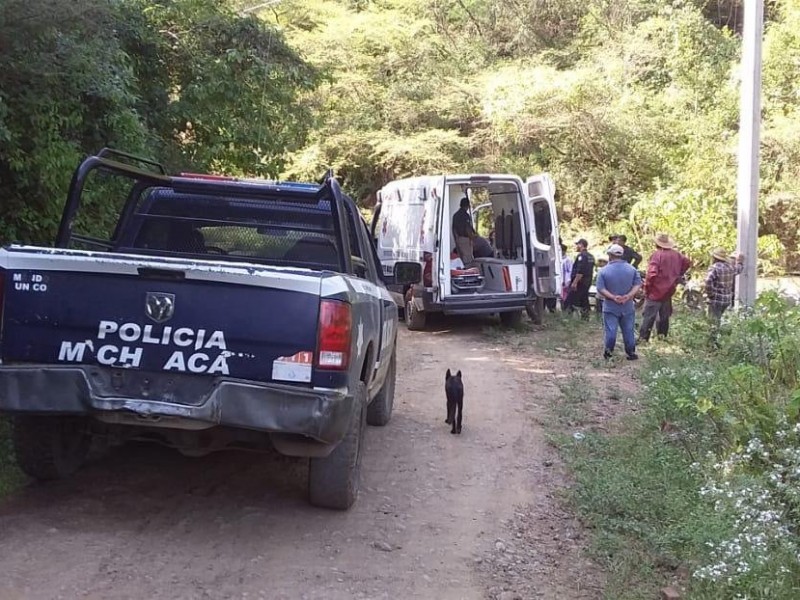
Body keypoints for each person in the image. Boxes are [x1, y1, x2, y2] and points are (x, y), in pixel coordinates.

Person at [638, 233, 691, 342]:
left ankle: (644, 338)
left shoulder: (657, 255)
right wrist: (678, 274)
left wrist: (646, 288)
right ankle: (662, 337)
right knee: (664, 316)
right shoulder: (677, 255)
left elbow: (652, 274)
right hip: (669, 290)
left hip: (655, 290)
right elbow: (687, 263)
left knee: (649, 316)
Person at [596, 244, 642, 360]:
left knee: (611, 330)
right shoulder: (632, 269)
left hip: (610, 306)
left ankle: (609, 352)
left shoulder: (603, 271)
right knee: (628, 330)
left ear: (610, 255)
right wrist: (628, 296)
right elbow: (637, 284)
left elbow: (600, 288)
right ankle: (631, 353)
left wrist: (612, 297)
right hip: (627, 305)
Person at [705, 247, 745, 323]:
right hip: (726, 300)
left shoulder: (714, 268)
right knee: (718, 319)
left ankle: (714, 334)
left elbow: (708, 281)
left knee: (713, 322)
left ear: (714, 258)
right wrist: (740, 262)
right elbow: (738, 269)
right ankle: (719, 333)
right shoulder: (729, 267)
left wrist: (710, 294)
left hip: (716, 300)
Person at [564, 238, 595, 319]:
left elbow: (580, 271)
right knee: (584, 299)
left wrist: (574, 282)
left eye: (577, 244)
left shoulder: (581, 256)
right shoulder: (591, 256)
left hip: (580, 282)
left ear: (581, 245)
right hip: (587, 282)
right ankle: (585, 317)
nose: (576, 246)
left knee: (570, 300)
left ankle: (567, 318)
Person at [452, 197, 476, 268]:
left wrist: (457, 239)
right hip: (465, 239)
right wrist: (472, 239)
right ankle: (468, 273)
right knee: (468, 259)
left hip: (458, 239)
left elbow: (454, 229)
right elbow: (467, 228)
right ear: (467, 205)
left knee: (461, 258)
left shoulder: (455, 215)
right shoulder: (465, 216)